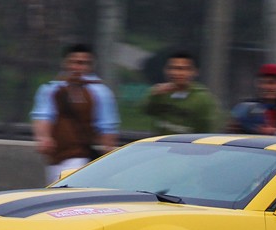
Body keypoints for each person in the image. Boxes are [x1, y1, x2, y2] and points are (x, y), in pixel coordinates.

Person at [31, 44, 120, 184]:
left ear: (91, 66)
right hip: (55, 156)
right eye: (74, 62)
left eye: (83, 63)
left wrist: (108, 153)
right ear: (65, 63)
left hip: (80, 155)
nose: (78, 67)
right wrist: (44, 138)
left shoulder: (100, 92)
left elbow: (107, 126)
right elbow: (43, 116)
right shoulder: (51, 89)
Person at [141, 51, 221, 135]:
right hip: (161, 144)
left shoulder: (203, 99)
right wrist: (154, 96)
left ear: (195, 72)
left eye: (182, 69)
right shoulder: (160, 92)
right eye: (172, 68)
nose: (176, 73)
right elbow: (146, 111)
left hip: (187, 145)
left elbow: (208, 129)